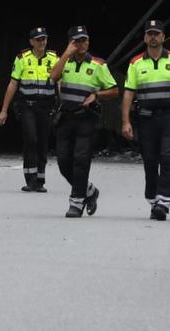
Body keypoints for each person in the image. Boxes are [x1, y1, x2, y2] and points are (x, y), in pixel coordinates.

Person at [120, 20, 170, 221]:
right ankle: (153, 200)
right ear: (145, 38)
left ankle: (165, 200)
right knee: (150, 161)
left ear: (163, 37)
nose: (153, 37)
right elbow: (128, 94)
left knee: (168, 157)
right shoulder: (136, 63)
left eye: (157, 34)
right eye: (150, 34)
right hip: (146, 119)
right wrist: (125, 122)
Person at [50, 25, 117, 218]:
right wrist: (65, 54)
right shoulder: (65, 62)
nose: (82, 44)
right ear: (71, 43)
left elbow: (114, 90)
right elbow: (53, 77)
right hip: (65, 118)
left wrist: (96, 95)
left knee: (81, 159)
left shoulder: (98, 64)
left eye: (84, 40)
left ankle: (76, 202)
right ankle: (89, 191)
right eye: (77, 41)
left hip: (87, 119)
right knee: (63, 162)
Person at [0, 27, 58, 192]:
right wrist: (4, 110)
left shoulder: (54, 59)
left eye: (44, 39)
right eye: (38, 39)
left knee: (43, 142)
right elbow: (13, 84)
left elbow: (60, 82)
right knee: (31, 139)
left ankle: (40, 179)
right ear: (31, 42)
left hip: (46, 106)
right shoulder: (22, 58)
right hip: (27, 106)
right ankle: (30, 179)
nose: (42, 42)